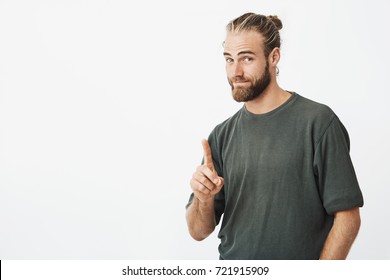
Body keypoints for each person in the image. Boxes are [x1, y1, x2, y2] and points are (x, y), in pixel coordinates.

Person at [185, 12, 364, 260]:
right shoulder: (221, 135)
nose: (235, 71)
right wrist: (204, 199)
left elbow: (348, 218)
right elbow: (197, 231)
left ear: (274, 57)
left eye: (246, 58)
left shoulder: (318, 122)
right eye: (229, 59)